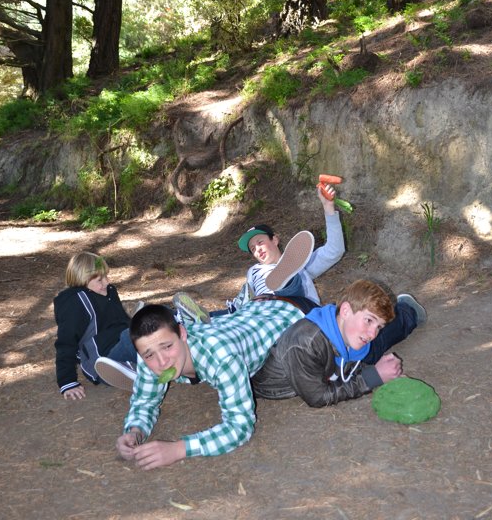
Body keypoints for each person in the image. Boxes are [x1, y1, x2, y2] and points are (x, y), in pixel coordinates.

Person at [114, 296, 308, 469]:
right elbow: (144, 402)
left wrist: (178, 449)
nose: (162, 361)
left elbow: (240, 427)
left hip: (294, 315)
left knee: (270, 381)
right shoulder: (149, 355)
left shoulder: (222, 357)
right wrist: (135, 431)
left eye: (167, 347)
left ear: (182, 333)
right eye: (149, 355)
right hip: (253, 308)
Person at [173, 184, 345, 322]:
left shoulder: (300, 263)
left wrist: (328, 207)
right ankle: (198, 319)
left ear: (275, 240)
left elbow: (334, 251)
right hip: (264, 313)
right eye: (253, 248)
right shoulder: (254, 271)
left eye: (260, 242)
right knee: (236, 314)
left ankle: (284, 281)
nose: (257, 249)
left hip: (298, 308)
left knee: (290, 282)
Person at [251, 279, 427, 406]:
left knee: (374, 348)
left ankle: (404, 313)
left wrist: (382, 374)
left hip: (329, 344)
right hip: (281, 373)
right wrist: (374, 376)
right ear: (345, 311)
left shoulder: (350, 333)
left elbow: (351, 370)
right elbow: (317, 397)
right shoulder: (305, 344)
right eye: (369, 320)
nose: (373, 333)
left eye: (379, 326)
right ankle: (407, 311)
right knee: (376, 348)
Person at [53, 251, 139, 399]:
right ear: (82, 280)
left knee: (151, 319)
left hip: (122, 343)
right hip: (101, 359)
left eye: (106, 276)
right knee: (131, 335)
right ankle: (131, 370)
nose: (106, 282)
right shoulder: (76, 302)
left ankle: (146, 364)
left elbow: (122, 320)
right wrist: (67, 381)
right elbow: (66, 342)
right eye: (100, 280)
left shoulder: (109, 291)